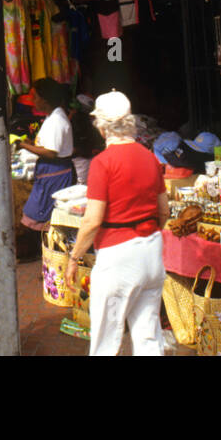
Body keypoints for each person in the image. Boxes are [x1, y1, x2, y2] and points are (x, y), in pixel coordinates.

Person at [64, 90, 168, 356]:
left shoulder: (103, 163)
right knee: (148, 337)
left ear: (101, 125)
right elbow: (163, 212)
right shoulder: (150, 157)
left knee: (105, 342)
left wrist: (74, 258)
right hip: (151, 251)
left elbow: (92, 220)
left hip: (118, 254)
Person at [17, 78, 77, 232]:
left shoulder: (57, 120)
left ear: (45, 99)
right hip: (50, 173)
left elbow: (50, 152)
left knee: (43, 215)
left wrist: (23, 145)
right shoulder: (51, 117)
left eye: (35, 97)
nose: (33, 101)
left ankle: (44, 250)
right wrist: (31, 144)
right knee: (42, 213)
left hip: (54, 173)